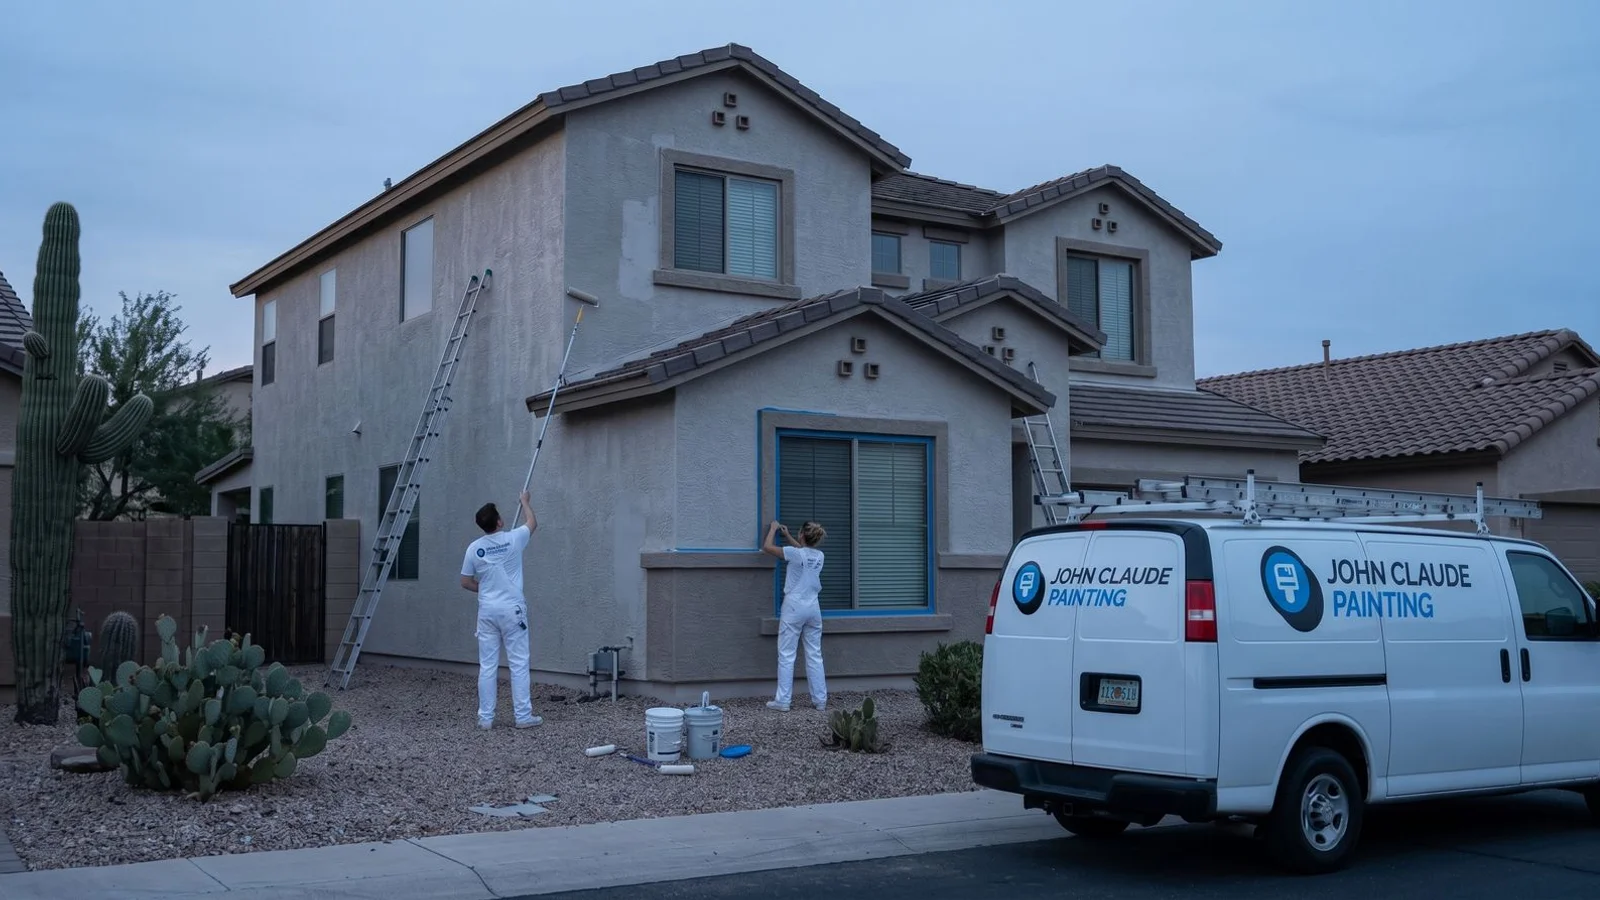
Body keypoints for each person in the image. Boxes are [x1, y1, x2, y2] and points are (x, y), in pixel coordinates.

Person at [460, 490, 541, 730]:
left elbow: (465, 582)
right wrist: (524, 502)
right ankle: (523, 716)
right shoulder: (514, 539)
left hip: (487, 611)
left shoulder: (474, 548)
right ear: (499, 522)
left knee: (487, 665)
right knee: (518, 663)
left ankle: (485, 718)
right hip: (512, 610)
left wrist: (486, 589)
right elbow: (532, 522)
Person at [761, 519, 828, 712]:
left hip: (794, 607)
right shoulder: (819, 556)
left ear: (802, 535)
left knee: (787, 654)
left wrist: (773, 528)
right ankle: (820, 700)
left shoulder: (795, 554)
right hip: (813, 608)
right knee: (814, 654)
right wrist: (789, 535)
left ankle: (783, 701)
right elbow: (803, 551)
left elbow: (767, 547)